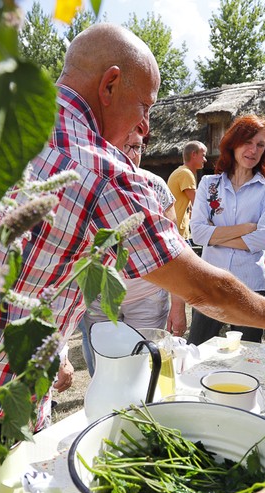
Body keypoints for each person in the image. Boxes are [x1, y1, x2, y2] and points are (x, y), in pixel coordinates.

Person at [0, 24, 265, 428]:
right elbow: (201, 288)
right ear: (109, 85)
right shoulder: (104, 172)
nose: (145, 126)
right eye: (146, 106)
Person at [79, 128, 188, 375]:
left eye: (137, 147)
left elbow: (174, 250)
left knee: (142, 369)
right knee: (105, 370)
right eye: (123, 146)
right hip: (99, 299)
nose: (130, 154)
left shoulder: (155, 186)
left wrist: (178, 305)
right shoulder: (88, 183)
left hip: (147, 299)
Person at [187, 114, 265, 345]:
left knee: (248, 357)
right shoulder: (209, 184)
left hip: (253, 288)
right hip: (210, 284)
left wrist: (215, 237)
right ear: (233, 143)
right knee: (196, 350)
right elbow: (197, 234)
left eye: (260, 145)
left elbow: (264, 239)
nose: (253, 150)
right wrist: (246, 228)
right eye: (247, 142)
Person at [167, 140, 208, 244]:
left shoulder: (182, 172)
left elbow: (191, 210)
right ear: (194, 154)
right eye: (203, 156)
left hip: (180, 232)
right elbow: (198, 204)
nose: (205, 160)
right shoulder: (185, 173)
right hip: (178, 234)